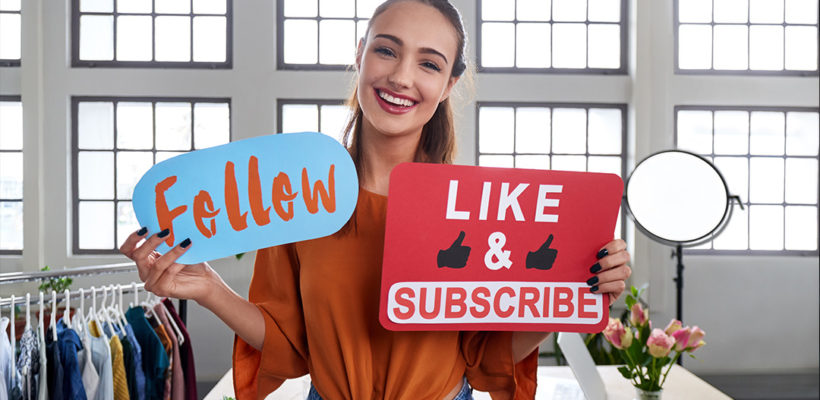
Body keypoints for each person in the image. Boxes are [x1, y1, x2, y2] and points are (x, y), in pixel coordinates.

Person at [119, 1, 633, 399]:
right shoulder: (298, 194)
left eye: (429, 64)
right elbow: (289, 345)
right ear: (360, 56)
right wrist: (208, 288)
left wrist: (570, 296)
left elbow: (484, 357)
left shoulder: (478, 208)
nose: (401, 77)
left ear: (448, 84)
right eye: (386, 50)